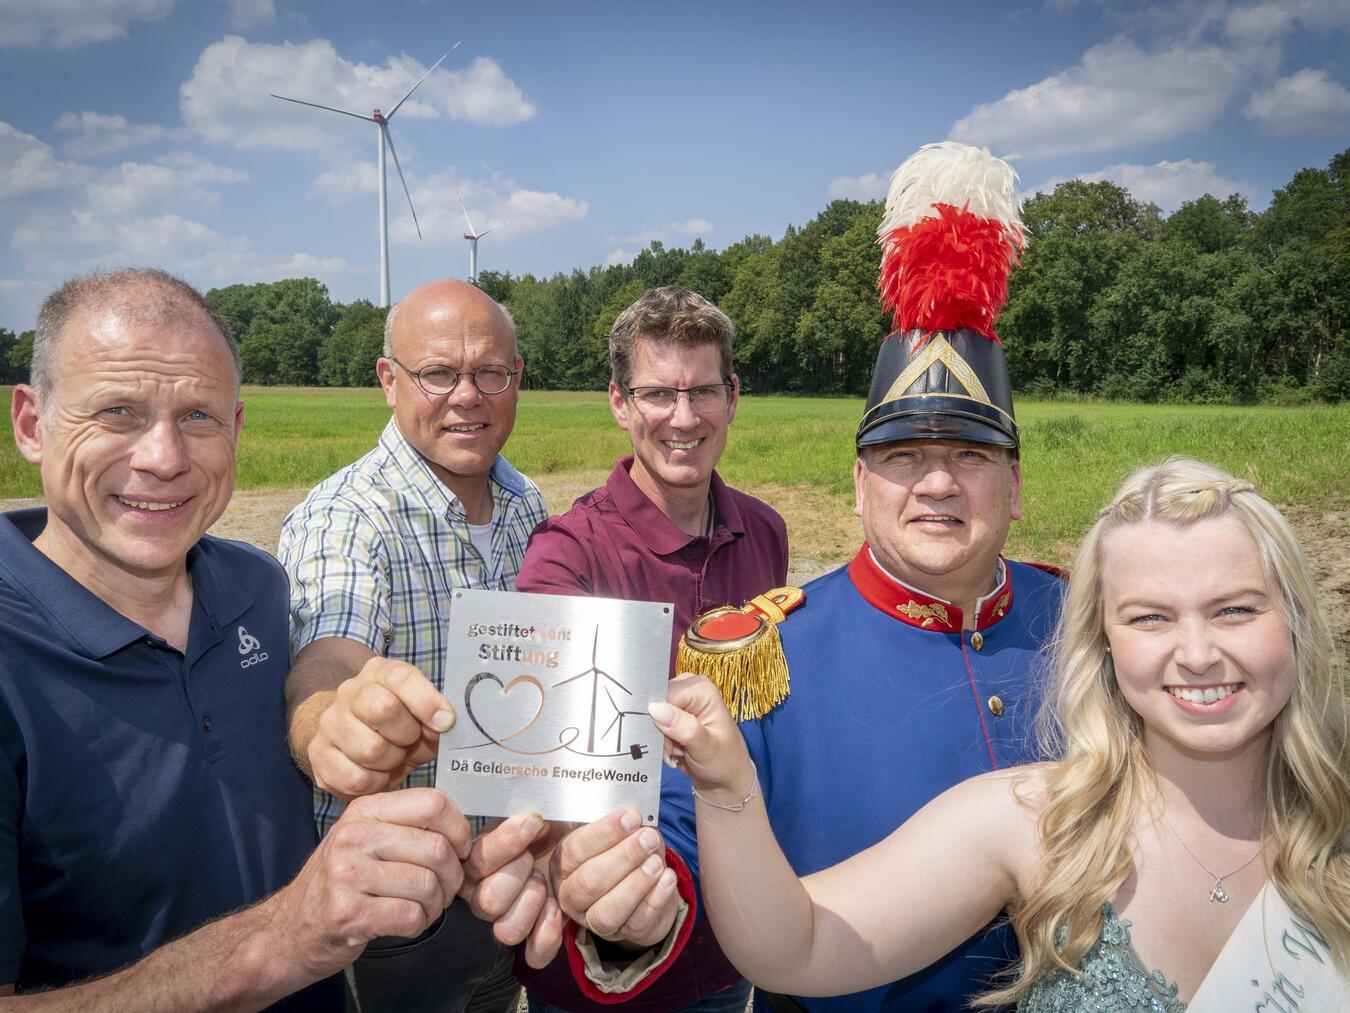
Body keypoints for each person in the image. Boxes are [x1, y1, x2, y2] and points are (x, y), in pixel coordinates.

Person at [564, 141, 1068, 1011]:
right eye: (903, 456)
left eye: (971, 456)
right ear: (860, 485)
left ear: (1016, 487)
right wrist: (631, 907)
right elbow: (685, 837)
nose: (939, 482)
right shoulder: (760, 652)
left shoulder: (1085, 618)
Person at [654, 456, 1350, 1010]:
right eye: (1150, 618)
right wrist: (727, 787)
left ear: (1294, 619)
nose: (1197, 652)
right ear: (1104, 642)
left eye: (1234, 609)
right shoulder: (1036, 816)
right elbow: (793, 944)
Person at [1, 268, 478, 1007]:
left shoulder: (256, 586)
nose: (163, 456)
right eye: (118, 411)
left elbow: (316, 680)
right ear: (32, 424)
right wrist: (283, 942)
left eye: (198, 416)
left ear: (236, 427)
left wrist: (333, 723)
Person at [279, 278, 561, 1012]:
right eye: (438, 373)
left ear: (517, 377)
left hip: (510, 881)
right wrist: (331, 722)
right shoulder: (348, 516)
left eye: (489, 372)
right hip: (399, 912)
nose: (467, 395)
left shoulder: (528, 503)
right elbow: (331, 652)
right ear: (388, 380)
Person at [513, 286, 788, 1011]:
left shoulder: (765, 531)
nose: (684, 417)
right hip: (605, 946)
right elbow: (545, 761)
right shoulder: (566, 556)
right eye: (659, 392)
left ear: (733, 396)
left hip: (731, 942)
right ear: (620, 402)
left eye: (703, 390)